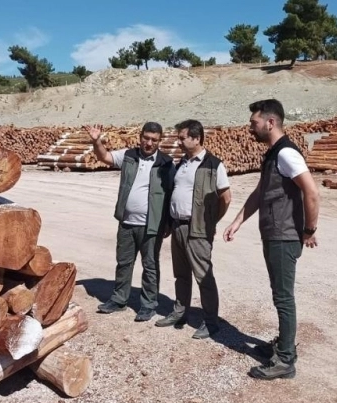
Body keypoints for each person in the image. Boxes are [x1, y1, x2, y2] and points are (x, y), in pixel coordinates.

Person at [223, 99, 320, 380]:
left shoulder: (287, 154)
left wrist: (309, 230)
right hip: (275, 234)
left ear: (270, 122)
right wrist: (238, 221)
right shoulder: (273, 154)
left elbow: (311, 193)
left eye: (253, 123)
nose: (250, 127)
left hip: (283, 236)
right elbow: (259, 193)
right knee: (280, 295)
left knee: (283, 297)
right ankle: (284, 346)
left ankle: (286, 360)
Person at [87, 122, 175, 322]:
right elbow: (104, 157)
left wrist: (169, 223)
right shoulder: (129, 156)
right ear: (140, 137)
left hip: (151, 225)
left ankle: (149, 305)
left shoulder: (167, 163)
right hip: (126, 222)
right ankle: (119, 300)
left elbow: (171, 194)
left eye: (154, 140)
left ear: (159, 141)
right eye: (146, 138)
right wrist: (96, 141)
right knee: (124, 262)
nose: (149, 143)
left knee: (150, 266)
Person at [155, 119, 231, 339]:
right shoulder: (182, 164)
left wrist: (210, 220)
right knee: (181, 275)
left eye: (182, 138)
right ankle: (180, 312)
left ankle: (211, 322)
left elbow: (225, 198)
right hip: (178, 226)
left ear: (196, 138)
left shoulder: (213, 165)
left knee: (203, 276)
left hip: (198, 229)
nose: (178, 141)